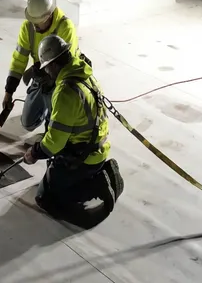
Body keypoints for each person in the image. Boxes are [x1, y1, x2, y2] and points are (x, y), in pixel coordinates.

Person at [21, 35, 124, 217]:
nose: (47, 74)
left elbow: (54, 143)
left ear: (53, 64)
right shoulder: (84, 74)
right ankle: (101, 171)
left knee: (46, 199)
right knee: (52, 172)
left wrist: (34, 153)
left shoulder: (65, 93)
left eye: (47, 69)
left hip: (83, 157)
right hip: (95, 147)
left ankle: (97, 185)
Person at [3, 0, 79, 131]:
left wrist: (37, 71)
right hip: (41, 76)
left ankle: (53, 119)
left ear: (49, 16)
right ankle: (45, 107)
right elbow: (19, 59)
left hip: (62, 80)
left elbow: (64, 67)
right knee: (28, 123)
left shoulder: (65, 27)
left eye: (39, 22)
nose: (35, 26)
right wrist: (9, 92)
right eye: (33, 21)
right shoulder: (28, 27)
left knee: (55, 125)